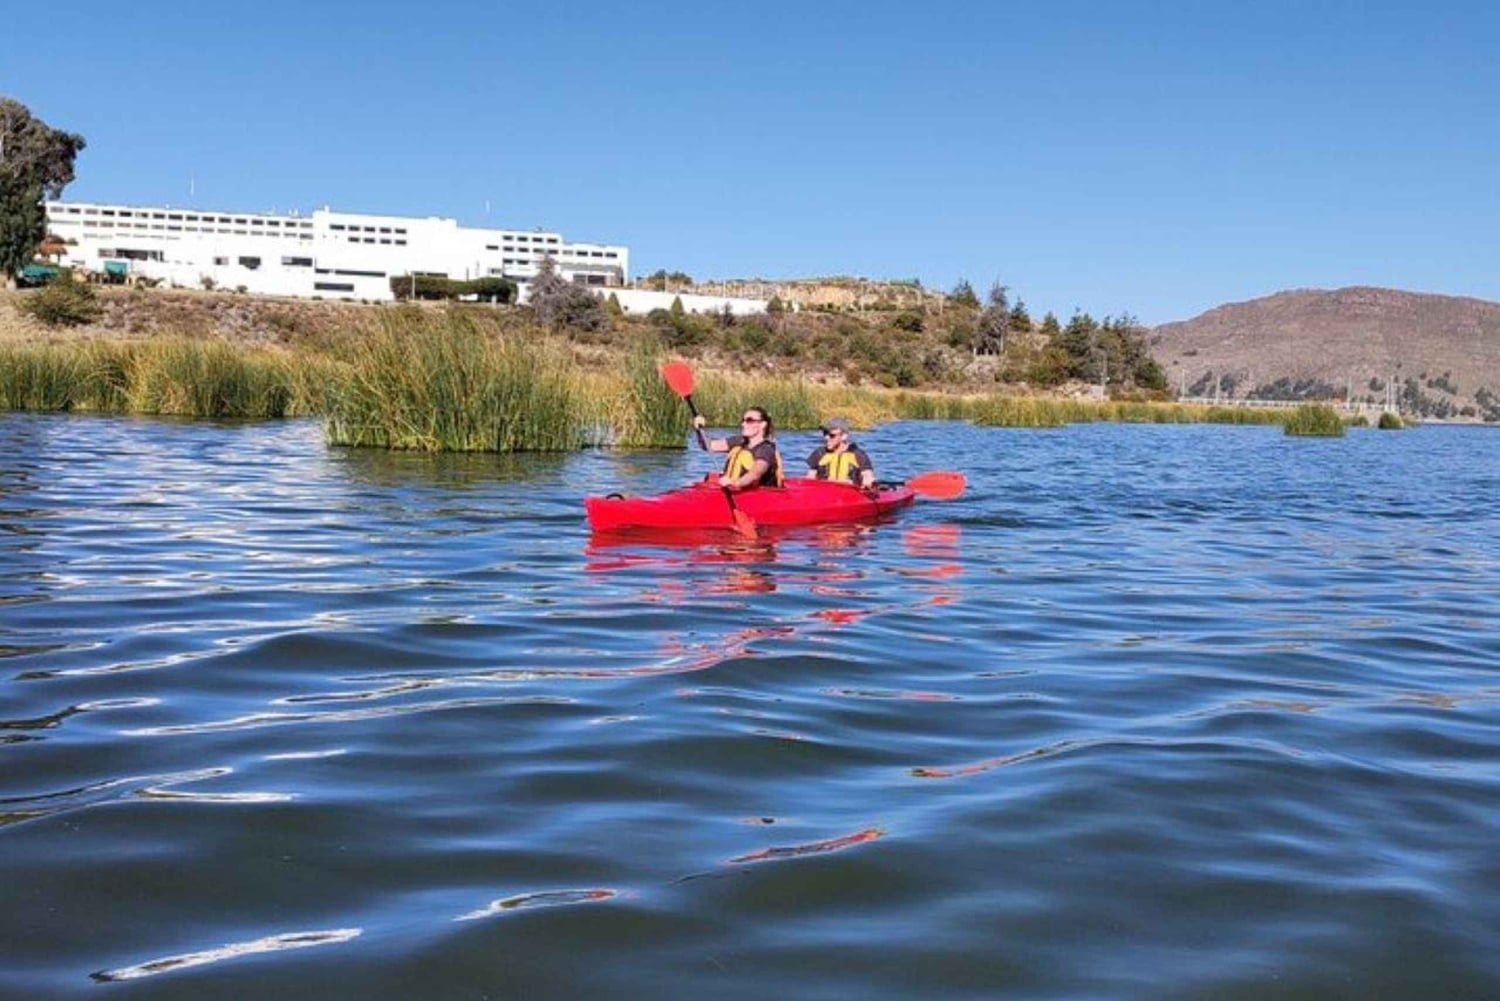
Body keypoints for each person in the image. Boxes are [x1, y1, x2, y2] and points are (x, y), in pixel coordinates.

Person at [693, 406, 784, 490]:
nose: (743, 424)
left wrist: (736, 483)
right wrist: (699, 430)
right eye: (743, 420)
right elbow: (708, 445)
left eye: (749, 420)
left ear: (763, 424)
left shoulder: (766, 449)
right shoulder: (739, 441)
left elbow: (755, 474)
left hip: (760, 495)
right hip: (733, 488)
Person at [805, 417, 875, 489]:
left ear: (844, 436)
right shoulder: (819, 453)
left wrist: (868, 480)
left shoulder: (858, 455)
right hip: (824, 492)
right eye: (825, 433)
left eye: (832, 435)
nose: (826, 438)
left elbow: (867, 474)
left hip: (850, 492)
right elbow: (811, 476)